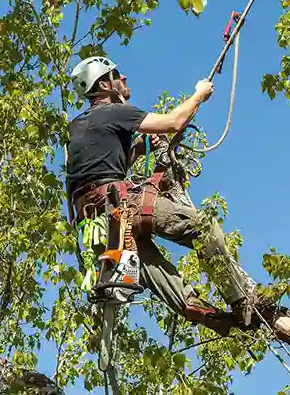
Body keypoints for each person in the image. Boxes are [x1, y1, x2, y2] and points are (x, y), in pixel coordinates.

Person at [65, 56, 276, 336]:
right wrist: (199, 95)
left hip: (98, 226)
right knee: (204, 228)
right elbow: (175, 121)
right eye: (117, 75)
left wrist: (139, 149)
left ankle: (220, 322)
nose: (124, 78)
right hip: (120, 206)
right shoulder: (115, 112)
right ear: (104, 84)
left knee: (163, 279)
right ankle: (242, 302)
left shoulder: (78, 126)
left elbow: (102, 166)